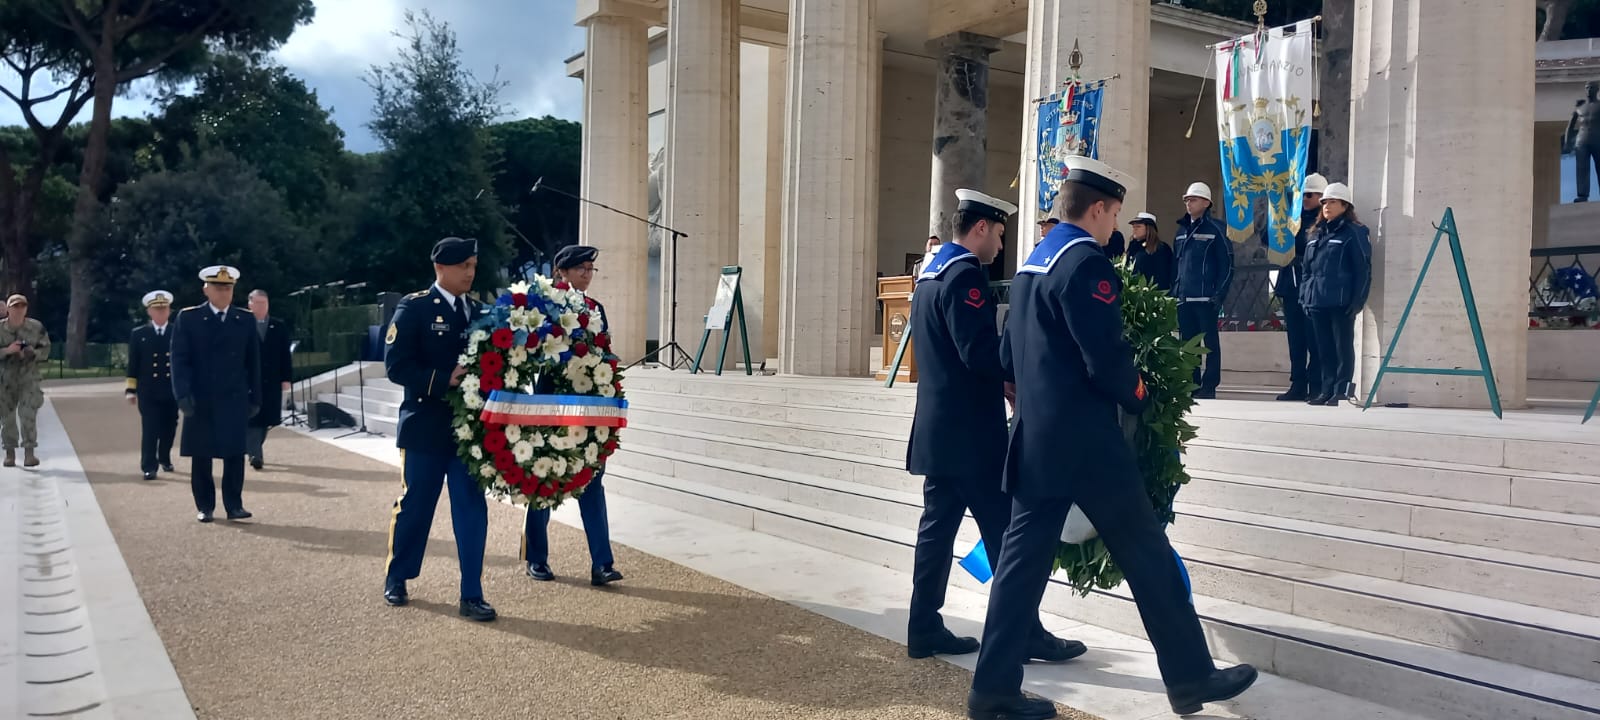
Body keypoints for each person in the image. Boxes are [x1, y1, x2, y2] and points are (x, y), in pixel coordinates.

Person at [967, 156, 1256, 720]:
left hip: (1034, 440)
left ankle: (992, 689)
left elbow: (1007, 357)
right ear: (1097, 209)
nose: (1114, 226)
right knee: (1147, 553)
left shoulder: (1031, 267)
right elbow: (1106, 361)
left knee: (1020, 569)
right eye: (1114, 213)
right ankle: (1191, 676)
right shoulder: (1086, 266)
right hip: (1087, 447)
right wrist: (1143, 396)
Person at [905, 188, 1085, 664]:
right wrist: (1018, 360)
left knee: (937, 533)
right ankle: (1024, 631)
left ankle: (922, 625)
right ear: (980, 228)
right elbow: (978, 353)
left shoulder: (931, 272)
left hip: (939, 429)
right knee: (1008, 537)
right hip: (971, 435)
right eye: (1000, 234)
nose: (1001, 246)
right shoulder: (964, 276)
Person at [382, 236, 496, 622]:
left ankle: (472, 592)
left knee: (471, 509)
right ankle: (398, 576)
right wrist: (440, 378)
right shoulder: (413, 308)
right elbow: (396, 365)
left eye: (473, 266)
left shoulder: (480, 311)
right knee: (416, 506)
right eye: (463, 265)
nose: (470, 272)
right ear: (440, 268)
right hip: (425, 426)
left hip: (468, 432)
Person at [524, 244, 624, 587]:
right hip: (552, 404)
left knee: (593, 484)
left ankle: (602, 563)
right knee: (545, 480)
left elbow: (604, 353)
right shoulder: (546, 304)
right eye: (580, 268)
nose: (587, 274)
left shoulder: (597, 309)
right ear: (561, 272)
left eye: (590, 269)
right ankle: (536, 557)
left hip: (590, 407)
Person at [170, 266, 261, 523]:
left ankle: (234, 505)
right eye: (218, 288)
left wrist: (256, 397)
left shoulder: (244, 319)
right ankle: (205, 506)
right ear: (206, 289)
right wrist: (182, 394)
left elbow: (252, 362)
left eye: (228, 288)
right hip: (201, 398)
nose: (224, 293)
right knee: (202, 455)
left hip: (233, 397)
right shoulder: (189, 318)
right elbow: (180, 360)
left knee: (234, 454)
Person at [1299, 182, 1373, 406]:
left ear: (1345, 205)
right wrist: (1304, 296)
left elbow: (1363, 269)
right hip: (1317, 301)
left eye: (1332, 202)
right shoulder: (1315, 234)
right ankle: (1326, 388)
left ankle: (1341, 390)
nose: (1326, 206)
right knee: (1324, 348)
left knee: (1342, 346)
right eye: (1324, 202)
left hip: (1341, 301)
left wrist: (1358, 299)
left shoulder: (1354, 232)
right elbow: (1306, 269)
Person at [1172, 181, 1233, 399]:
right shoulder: (1181, 231)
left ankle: (1209, 386)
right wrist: (1175, 293)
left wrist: (1219, 295)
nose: (1189, 203)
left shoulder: (1216, 229)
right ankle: (1192, 384)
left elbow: (1226, 265)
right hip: (1184, 297)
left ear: (1207, 203)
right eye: (1187, 199)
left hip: (1206, 298)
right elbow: (1176, 265)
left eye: (1194, 199)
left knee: (1210, 345)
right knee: (1188, 344)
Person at [1273, 174, 1327, 401]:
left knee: (1314, 338)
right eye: (1302, 195)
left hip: (1311, 284)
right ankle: (1298, 383)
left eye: (1309, 195)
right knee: (1296, 340)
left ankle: (1316, 383)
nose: (1305, 199)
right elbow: (1270, 238)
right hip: (1291, 282)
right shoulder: (1291, 217)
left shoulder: (1322, 222)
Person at [126, 291, 178, 480]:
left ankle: (164, 457)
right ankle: (149, 465)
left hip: (172, 390)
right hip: (148, 390)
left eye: (164, 309)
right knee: (150, 428)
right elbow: (133, 364)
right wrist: (130, 390)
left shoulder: (177, 331)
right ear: (149, 312)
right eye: (157, 309)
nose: (161, 312)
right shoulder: (140, 334)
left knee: (170, 427)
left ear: (169, 311)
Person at [244, 289, 293, 470]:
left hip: (271, 380)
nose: (261, 307)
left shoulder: (278, 326)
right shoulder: (242, 325)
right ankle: (255, 454)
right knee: (252, 417)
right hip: (249, 380)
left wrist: (286, 378)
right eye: (257, 303)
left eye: (264, 303)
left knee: (266, 418)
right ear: (250, 304)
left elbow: (284, 355)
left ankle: (253, 448)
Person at [0, 294, 50, 467]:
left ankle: (29, 452)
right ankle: (10, 452)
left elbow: (45, 349)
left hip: (29, 377)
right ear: (8, 309)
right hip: (5, 379)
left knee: (28, 413)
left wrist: (30, 353)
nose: (18, 310)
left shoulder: (36, 327)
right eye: (15, 306)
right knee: (7, 417)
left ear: (26, 308)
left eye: (22, 306)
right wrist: (7, 351)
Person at [1127, 212, 1174, 293]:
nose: (1134, 229)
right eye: (1133, 226)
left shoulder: (1161, 248)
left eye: (1138, 226)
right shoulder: (1133, 247)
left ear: (1149, 228)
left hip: (1156, 293)